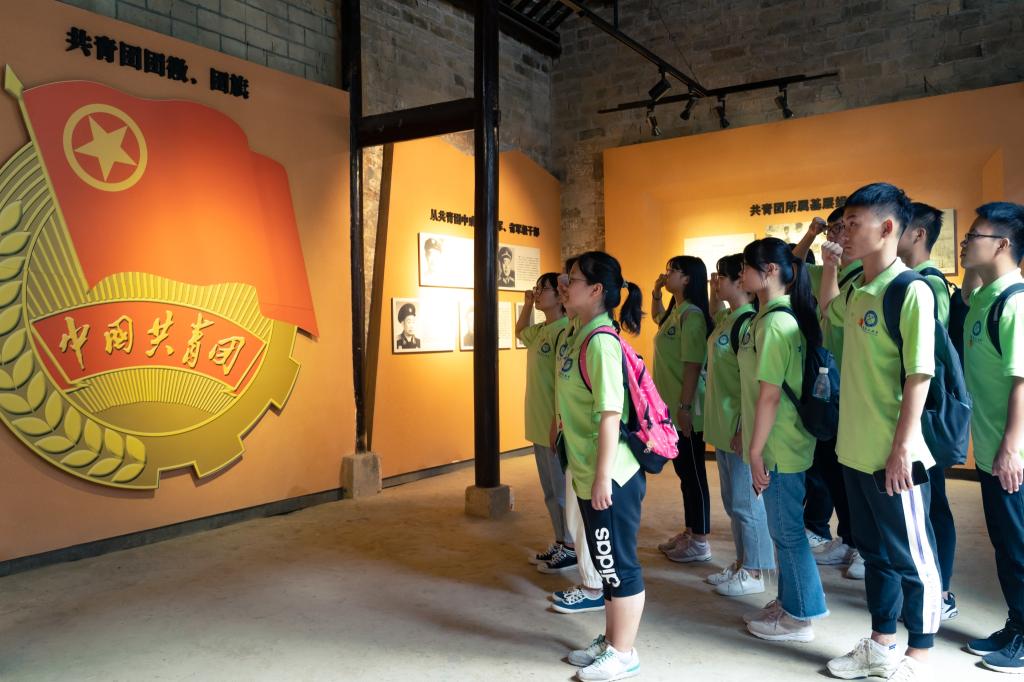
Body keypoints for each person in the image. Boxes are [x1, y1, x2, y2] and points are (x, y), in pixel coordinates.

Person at [825, 183, 941, 682]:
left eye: (854, 224)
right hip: (855, 450)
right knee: (874, 554)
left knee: (912, 556)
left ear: (888, 227)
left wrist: (902, 448)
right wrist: (830, 266)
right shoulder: (857, 290)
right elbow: (828, 313)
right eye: (843, 225)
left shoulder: (909, 290)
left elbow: (920, 375)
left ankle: (920, 654)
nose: (844, 233)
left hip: (895, 456)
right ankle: (881, 644)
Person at [558, 251, 646, 681]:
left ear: (595, 290)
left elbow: (611, 415)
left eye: (572, 279)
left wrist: (601, 478)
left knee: (618, 564)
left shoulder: (601, 343)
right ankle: (612, 641)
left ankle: (624, 653)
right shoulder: (581, 333)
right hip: (589, 472)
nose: (564, 285)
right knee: (605, 562)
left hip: (611, 476)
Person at [737, 237, 828, 643]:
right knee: (782, 530)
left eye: (746, 266)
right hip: (779, 438)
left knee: (787, 532)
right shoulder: (772, 317)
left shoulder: (776, 323)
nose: (741, 274)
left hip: (779, 444)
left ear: (770, 270)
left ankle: (800, 617)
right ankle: (790, 602)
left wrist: (756, 451)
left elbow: (770, 395)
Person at [959, 201, 1024, 674]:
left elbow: (1023, 380)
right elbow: (966, 292)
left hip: (1012, 453)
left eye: (973, 237)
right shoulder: (986, 295)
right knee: (1005, 544)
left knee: (1019, 546)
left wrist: (1011, 447)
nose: (964, 243)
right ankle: (1015, 623)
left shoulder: (1015, 303)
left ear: (1002, 244)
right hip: (990, 448)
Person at [896, 201, 958, 620]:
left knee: (933, 503)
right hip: (918, 412)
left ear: (918, 234)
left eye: (901, 226)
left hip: (926, 412)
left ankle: (943, 592)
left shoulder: (927, 285)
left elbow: (926, 360)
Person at [794, 209, 864, 578]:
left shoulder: (866, 275)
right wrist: (810, 235)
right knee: (833, 468)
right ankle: (849, 539)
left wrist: (833, 267)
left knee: (859, 475)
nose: (838, 235)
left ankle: (864, 545)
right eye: (834, 228)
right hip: (828, 383)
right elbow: (793, 267)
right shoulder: (826, 271)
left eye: (846, 227)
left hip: (856, 386)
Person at [702, 253, 775, 597]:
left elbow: (756, 384)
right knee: (734, 503)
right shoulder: (727, 319)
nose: (716, 282)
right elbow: (714, 308)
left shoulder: (748, 324)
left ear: (738, 282)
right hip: (722, 428)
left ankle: (756, 570)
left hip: (738, 428)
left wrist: (745, 427)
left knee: (748, 503)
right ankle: (743, 562)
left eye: (722, 276)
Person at [516, 274, 583, 583]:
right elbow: (520, 331)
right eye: (537, 288)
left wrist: (558, 422)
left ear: (560, 295)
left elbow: (564, 383)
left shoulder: (564, 331)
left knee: (561, 490)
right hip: (537, 423)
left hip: (553, 426)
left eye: (543, 289)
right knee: (550, 491)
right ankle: (560, 541)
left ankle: (570, 545)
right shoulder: (543, 329)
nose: (538, 293)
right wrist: (527, 304)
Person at [651, 256, 715, 564]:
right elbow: (658, 320)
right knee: (684, 473)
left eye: (672, 270)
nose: (667, 275)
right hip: (673, 408)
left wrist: (685, 407)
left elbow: (692, 365)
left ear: (688, 278)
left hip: (687, 407)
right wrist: (655, 294)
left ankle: (700, 540)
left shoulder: (693, 315)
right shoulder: (676, 312)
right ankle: (690, 531)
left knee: (694, 474)